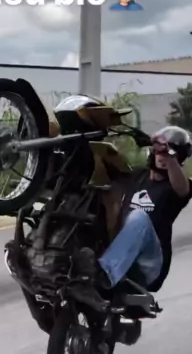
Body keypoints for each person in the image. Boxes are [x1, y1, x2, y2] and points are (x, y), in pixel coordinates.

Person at [73, 125, 192, 311]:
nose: (163, 157)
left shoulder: (178, 187)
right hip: (123, 253)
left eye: (171, 154)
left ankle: (105, 274)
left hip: (150, 264)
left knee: (139, 217)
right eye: (160, 152)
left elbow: (182, 188)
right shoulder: (136, 176)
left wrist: (169, 157)